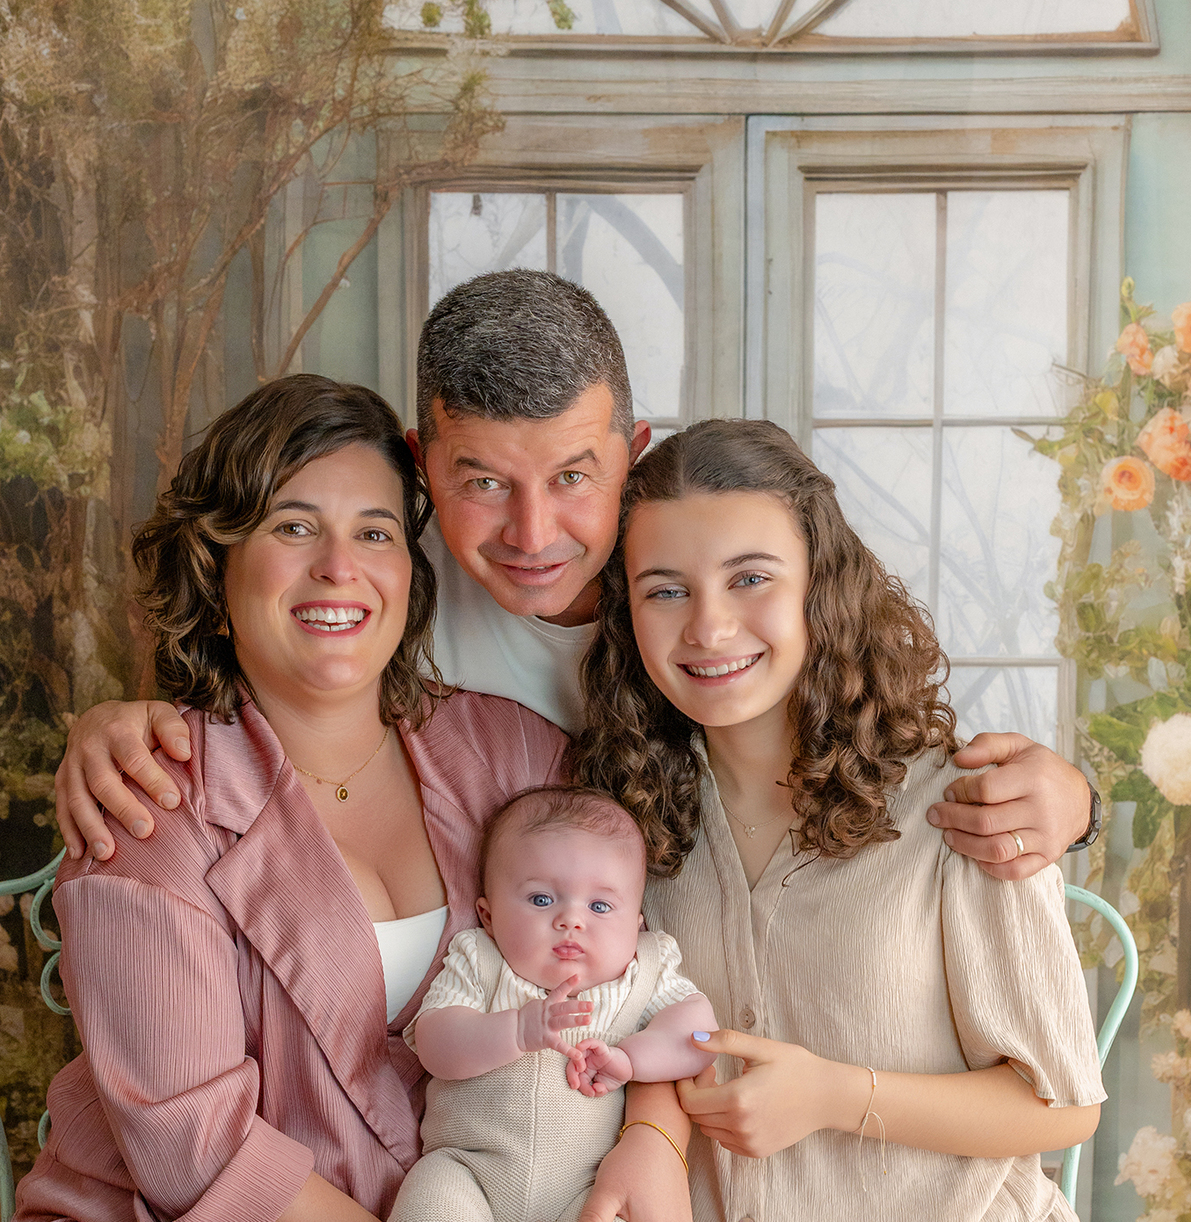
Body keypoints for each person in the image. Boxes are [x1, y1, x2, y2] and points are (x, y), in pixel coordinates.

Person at [0, 374, 665, 1222]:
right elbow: (195, 1160)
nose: (337, 567)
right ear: (220, 559)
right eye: (293, 527)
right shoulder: (153, 804)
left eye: (373, 531)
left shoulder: (507, 757)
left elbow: (670, 957)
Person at [567, 419, 1121, 1222]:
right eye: (665, 588)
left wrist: (835, 1095)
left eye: (751, 577)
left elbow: (1063, 1102)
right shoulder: (614, 827)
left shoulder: (959, 800)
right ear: (626, 615)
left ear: (821, 586)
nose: (709, 624)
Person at [52, 273, 1098, 883]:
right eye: (481, 483)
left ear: (633, 447)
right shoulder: (368, 590)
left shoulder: (714, 574)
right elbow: (245, 712)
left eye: (573, 476)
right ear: (422, 463)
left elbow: (862, 714)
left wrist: (1073, 800)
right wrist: (123, 717)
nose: (532, 533)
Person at [386, 784, 717, 1222]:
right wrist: (516, 1030)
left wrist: (632, 1057)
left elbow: (699, 1032)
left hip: (581, 1195)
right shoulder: (479, 962)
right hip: (471, 1174)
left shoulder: (644, 974)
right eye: (541, 900)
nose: (571, 922)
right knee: (421, 1217)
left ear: (638, 924)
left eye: (600, 905)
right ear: (487, 910)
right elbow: (437, 1043)